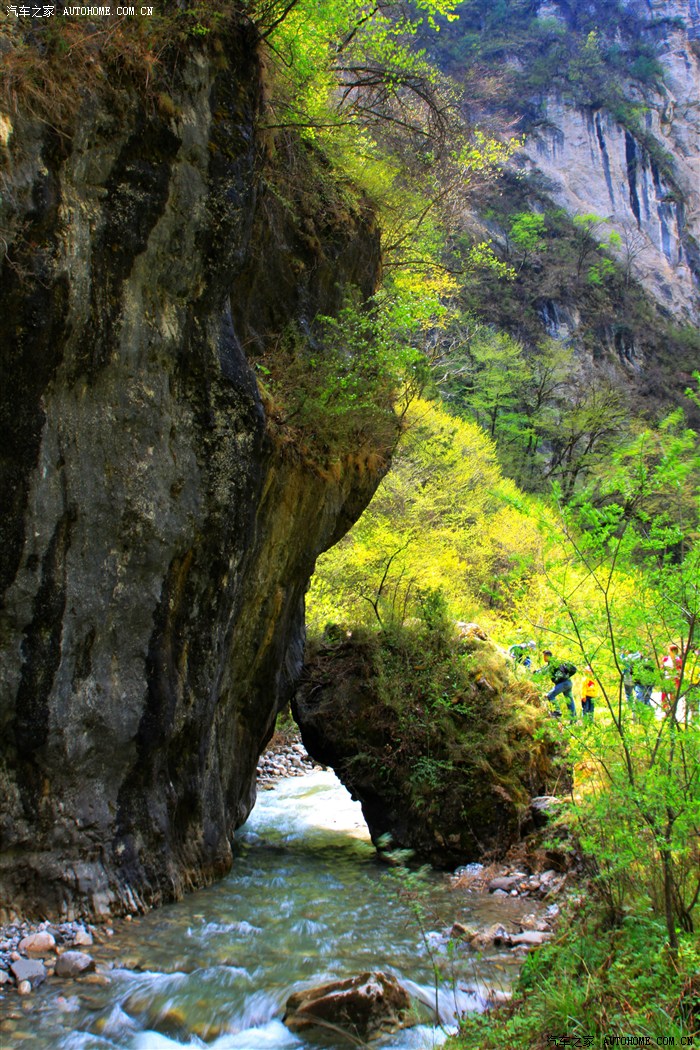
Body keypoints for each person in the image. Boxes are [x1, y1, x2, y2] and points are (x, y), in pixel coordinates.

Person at [536, 650, 577, 718]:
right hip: (568, 683)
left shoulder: (552, 663)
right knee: (569, 702)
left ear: (548, 656)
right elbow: (544, 668)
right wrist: (537, 671)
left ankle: (558, 711)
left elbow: (544, 671)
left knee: (550, 695)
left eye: (544, 656)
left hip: (563, 683)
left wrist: (536, 673)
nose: (544, 658)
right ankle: (573, 720)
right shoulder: (554, 662)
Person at [661, 642, 682, 711]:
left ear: (673, 651)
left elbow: (680, 672)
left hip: (674, 680)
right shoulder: (666, 659)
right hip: (666, 679)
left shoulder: (678, 660)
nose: (668, 651)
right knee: (664, 697)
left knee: (673, 698)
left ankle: (672, 712)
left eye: (669, 650)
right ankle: (666, 712)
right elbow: (662, 669)